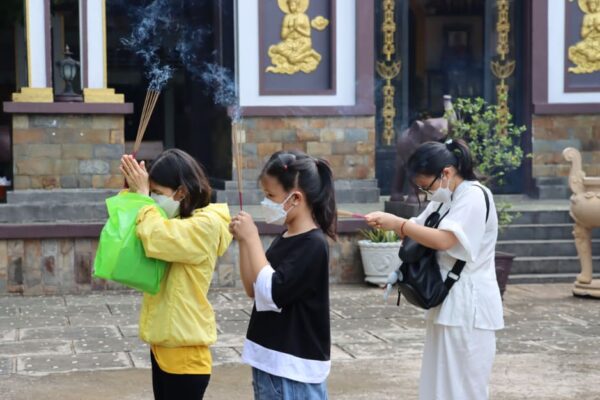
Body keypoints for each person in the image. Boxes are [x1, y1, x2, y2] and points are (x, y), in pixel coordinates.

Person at [365, 139, 504, 400]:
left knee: (464, 386)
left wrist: (399, 223)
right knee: (439, 383)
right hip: (447, 300)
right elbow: (417, 231)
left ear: (446, 173)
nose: (425, 192)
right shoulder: (444, 198)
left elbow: (444, 240)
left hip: (469, 305)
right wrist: (390, 224)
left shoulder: (474, 196)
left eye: (425, 186)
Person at [120, 149, 233, 400]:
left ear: (181, 192)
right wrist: (133, 191)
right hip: (165, 345)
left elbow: (156, 236)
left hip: (185, 355)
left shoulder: (206, 225)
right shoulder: (176, 219)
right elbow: (135, 227)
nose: (153, 200)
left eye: (157, 193)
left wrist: (142, 198)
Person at [229, 150, 336, 400]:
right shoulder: (286, 236)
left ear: (295, 198)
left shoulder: (313, 245)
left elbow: (272, 293)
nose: (266, 202)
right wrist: (244, 242)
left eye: (271, 196)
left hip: (292, 369)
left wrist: (252, 238)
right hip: (271, 360)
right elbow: (254, 289)